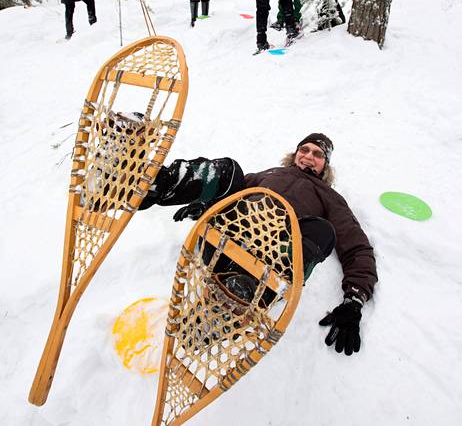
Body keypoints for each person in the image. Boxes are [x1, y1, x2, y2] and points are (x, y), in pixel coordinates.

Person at [140, 132, 377, 356]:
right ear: (295, 154)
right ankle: (155, 184)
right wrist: (205, 205)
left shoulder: (331, 198)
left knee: (323, 232)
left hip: (272, 262)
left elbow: (356, 247)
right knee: (230, 170)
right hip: (230, 241)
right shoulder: (272, 173)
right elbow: (230, 190)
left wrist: (354, 300)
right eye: (304, 149)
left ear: (325, 165)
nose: (309, 156)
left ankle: (238, 297)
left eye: (318, 154)